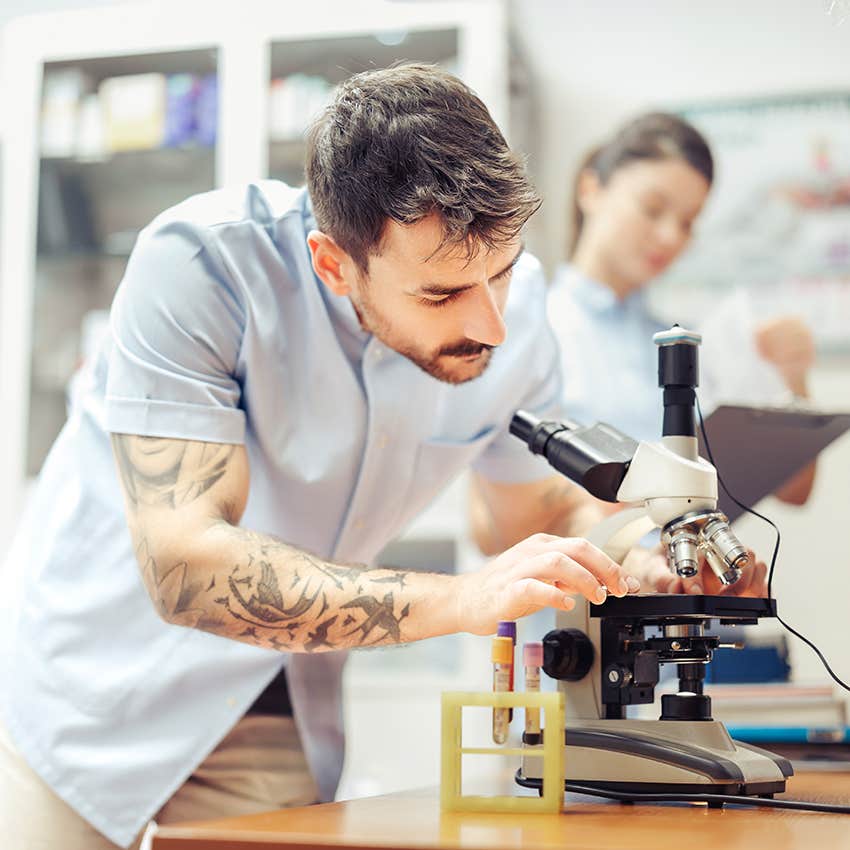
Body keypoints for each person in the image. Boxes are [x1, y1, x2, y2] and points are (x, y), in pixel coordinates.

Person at [0, 69, 759, 850]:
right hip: (82, 706)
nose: (491, 323)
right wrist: (461, 600)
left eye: (500, 271)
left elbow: (528, 520)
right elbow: (184, 565)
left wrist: (639, 558)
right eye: (441, 295)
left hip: (271, 710)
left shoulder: (517, 311)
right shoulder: (205, 266)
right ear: (335, 264)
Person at [547, 112, 817, 512]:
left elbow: (794, 490)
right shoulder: (530, 325)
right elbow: (499, 517)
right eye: (652, 209)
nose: (671, 237)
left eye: (688, 223)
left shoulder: (686, 346)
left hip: (680, 570)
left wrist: (792, 380)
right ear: (591, 189)